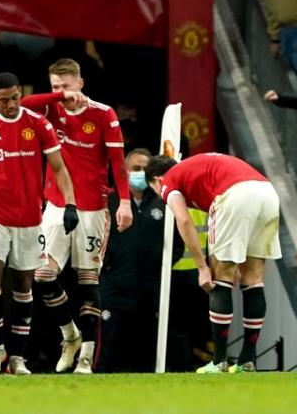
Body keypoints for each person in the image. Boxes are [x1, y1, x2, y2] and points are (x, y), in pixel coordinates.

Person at [21, 58, 132, 374]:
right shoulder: (50, 109)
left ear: (80, 83)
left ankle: (86, 354)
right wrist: (57, 97)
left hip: (93, 209)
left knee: (87, 281)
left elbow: (118, 163)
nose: (60, 91)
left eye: (66, 85)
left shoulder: (102, 114)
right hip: (55, 205)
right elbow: (26, 103)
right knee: (42, 275)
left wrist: (124, 202)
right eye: (55, 86)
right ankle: (69, 334)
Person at [0, 71, 76, 376]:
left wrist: (70, 203)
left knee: (25, 284)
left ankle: (16, 356)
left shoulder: (38, 123)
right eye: (4, 100)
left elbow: (59, 167)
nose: (11, 104)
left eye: (15, 98)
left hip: (29, 219)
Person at [145, 152, 281, 374]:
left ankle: (218, 362)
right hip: (267, 192)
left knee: (221, 277)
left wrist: (202, 268)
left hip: (234, 194)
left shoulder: (168, 181)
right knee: (254, 279)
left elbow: (183, 219)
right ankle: (247, 360)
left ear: (157, 180)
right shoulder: (194, 169)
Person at [97, 148, 178, 373]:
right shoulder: (110, 201)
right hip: (114, 288)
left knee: (145, 353)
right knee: (107, 350)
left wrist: (160, 266)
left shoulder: (164, 202)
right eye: (136, 169)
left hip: (149, 290)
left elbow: (177, 242)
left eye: (145, 169)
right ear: (124, 170)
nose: (141, 173)